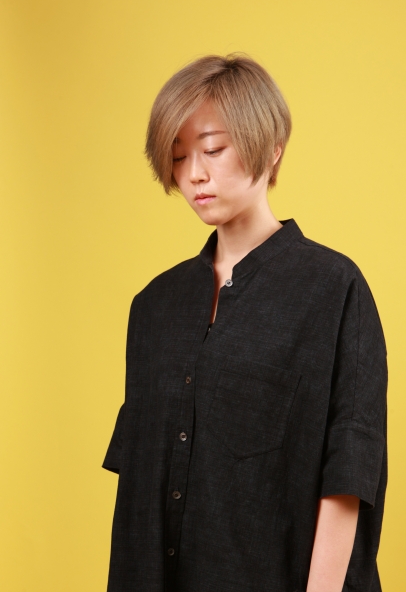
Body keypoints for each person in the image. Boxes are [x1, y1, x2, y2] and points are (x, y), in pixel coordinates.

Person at [103, 54, 388, 592]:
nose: (194, 174)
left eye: (213, 149)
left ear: (271, 147)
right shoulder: (153, 307)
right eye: (178, 156)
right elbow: (138, 486)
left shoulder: (332, 288)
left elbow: (350, 468)